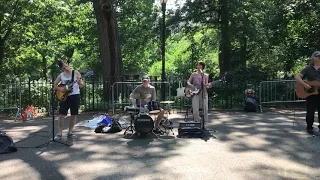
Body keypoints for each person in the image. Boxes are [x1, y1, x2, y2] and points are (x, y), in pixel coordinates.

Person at [53, 60, 83, 140]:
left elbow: (81, 85)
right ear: (61, 69)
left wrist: (80, 82)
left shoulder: (76, 73)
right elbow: (54, 85)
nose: (66, 68)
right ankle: (59, 133)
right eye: (64, 68)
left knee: (73, 115)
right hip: (64, 97)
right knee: (61, 115)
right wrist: (60, 89)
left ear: (68, 64)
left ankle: (70, 132)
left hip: (75, 96)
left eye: (66, 66)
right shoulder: (61, 75)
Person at [295, 51, 320, 134]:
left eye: (319, 56)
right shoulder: (308, 68)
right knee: (310, 111)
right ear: (313, 57)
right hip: (311, 93)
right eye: (317, 56)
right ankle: (309, 127)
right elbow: (297, 77)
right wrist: (305, 85)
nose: (318, 57)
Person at [187, 61, 212, 127]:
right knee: (195, 108)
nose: (198, 66)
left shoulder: (206, 75)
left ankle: (204, 122)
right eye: (198, 65)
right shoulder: (193, 74)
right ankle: (196, 122)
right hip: (195, 93)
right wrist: (191, 85)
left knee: (205, 107)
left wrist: (209, 86)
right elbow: (188, 82)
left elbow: (206, 85)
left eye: (200, 65)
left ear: (202, 67)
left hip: (203, 93)